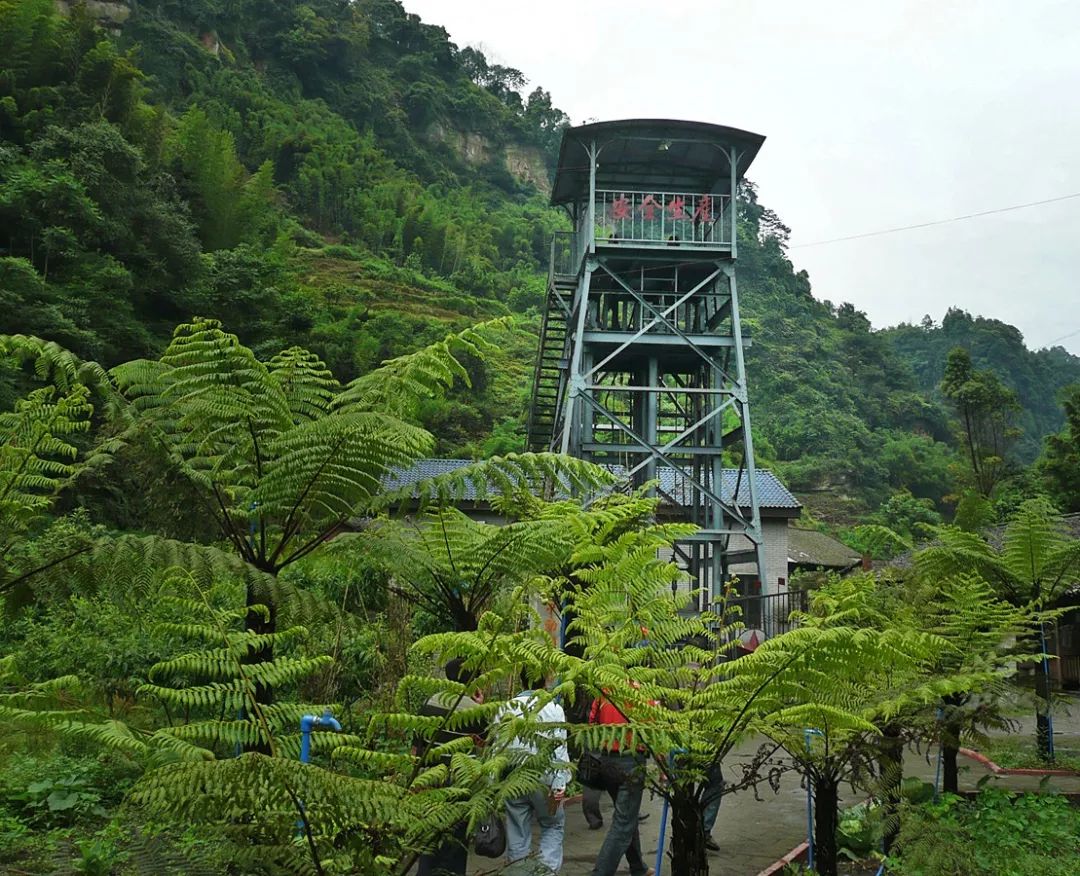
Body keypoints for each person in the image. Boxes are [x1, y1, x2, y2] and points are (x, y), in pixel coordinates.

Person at [415, 658, 486, 876]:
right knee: (456, 842)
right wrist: (481, 706)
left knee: (430, 839)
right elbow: (484, 742)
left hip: (430, 781)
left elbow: (417, 747)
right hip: (459, 781)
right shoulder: (473, 710)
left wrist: (416, 780)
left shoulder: (429, 702)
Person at [498, 673, 571, 873]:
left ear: (522, 680)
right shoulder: (554, 709)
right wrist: (560, 783)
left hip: (513, 779)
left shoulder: (505, 708)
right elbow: (559, 748)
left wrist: (493, 783)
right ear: (545, 680)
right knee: (552, 826)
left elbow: (497, 749)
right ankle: (546, 873)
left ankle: (517, 872)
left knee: (517, 831)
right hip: (545, 779)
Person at [588, 692, 653, 876]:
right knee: (623, 822)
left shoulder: (604, 691)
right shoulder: (641, 691)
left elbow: (592, 721)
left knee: (626, 815)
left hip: (607, 760)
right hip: (631, 761)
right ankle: (601, 872)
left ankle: (638, 866)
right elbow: (651, 727)